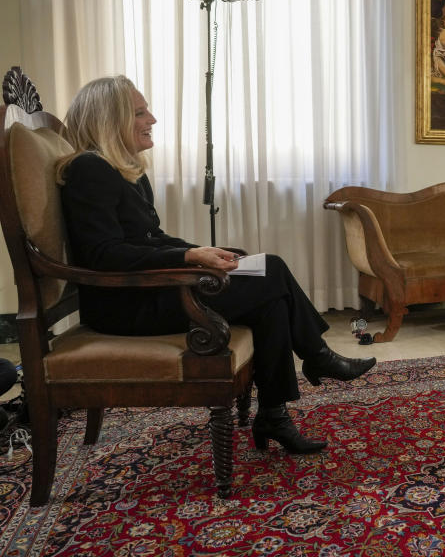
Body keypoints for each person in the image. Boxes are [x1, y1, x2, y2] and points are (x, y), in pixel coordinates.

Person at [56, 76, 376, 455]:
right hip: (125, 305)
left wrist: (204, 250)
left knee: (260, 280)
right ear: (109, 120)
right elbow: (103, 255)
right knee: (269, 269)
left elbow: (151, 239)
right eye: (140, 112)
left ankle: (275, 414)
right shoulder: (88, 170)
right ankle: (316, 357)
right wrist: (189, 257)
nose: (152, 119)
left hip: (147, 289)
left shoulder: (123, 172)